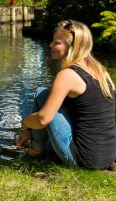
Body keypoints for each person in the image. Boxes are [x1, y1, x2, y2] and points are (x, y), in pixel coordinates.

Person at [17, 20, 116, 169]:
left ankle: (35, 152)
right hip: (107, 156)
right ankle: (37, 148)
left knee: (45, 108)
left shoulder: (67, 75)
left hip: (84, 160)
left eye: (57, 42)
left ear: (72, 46)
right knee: (43, 93)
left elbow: (43, 119)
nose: (50, 45)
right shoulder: (99, 69)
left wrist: (25, 124)